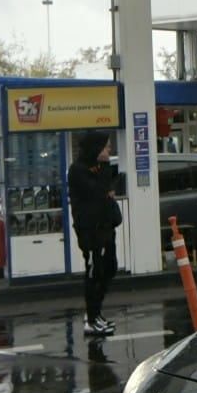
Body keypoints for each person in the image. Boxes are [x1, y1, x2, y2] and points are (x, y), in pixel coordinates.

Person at [69, 130, 120, 337]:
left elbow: (106, 191)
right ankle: (91, 318)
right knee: (94, 272)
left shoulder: (100, 168)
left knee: (110, 268)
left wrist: (105, 173)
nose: (109, 149)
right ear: (96, 149)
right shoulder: (78, 170)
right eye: (106, 146)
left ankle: (96, 312)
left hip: (106, 228)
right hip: (90, 231)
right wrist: (105, 187)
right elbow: (99, 193)